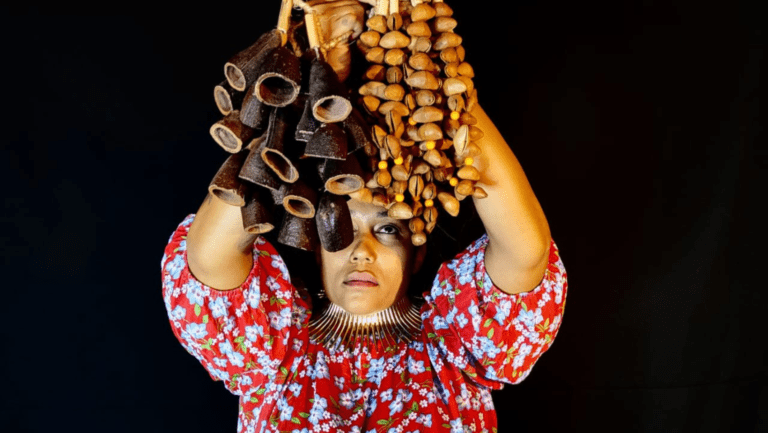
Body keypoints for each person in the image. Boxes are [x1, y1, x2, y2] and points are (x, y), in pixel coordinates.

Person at [161, 1, 567, 432]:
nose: (362, 251)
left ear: (417, 251)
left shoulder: (455, 346)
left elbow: (526, 251)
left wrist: (428, 67)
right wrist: (311, 80)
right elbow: (208, 258)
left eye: (387, 228)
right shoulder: (273, 351)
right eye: (338, 227)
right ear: (314, 246)